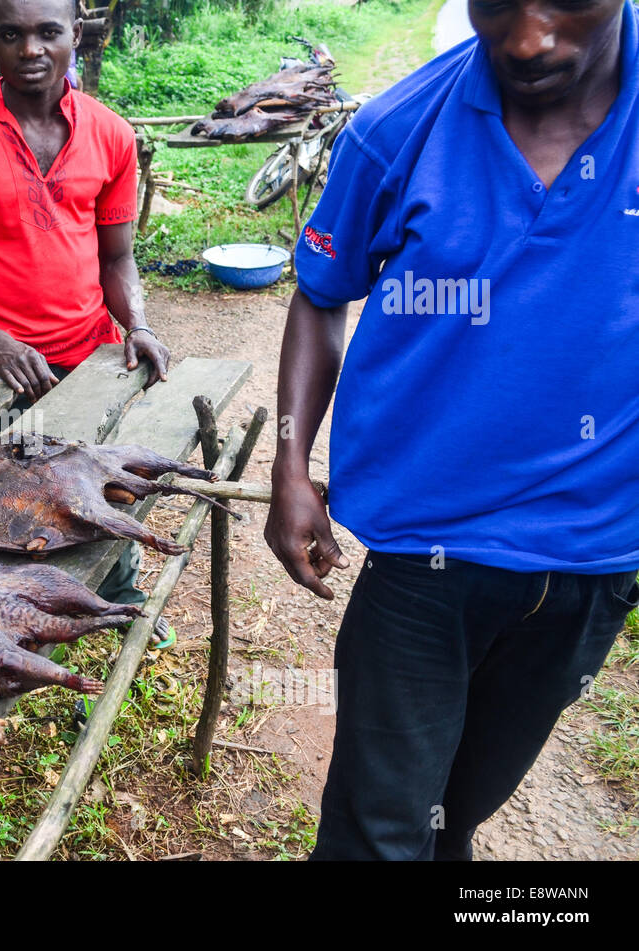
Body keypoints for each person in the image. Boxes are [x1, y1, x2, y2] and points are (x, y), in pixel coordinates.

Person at [265, 0, 639, 860]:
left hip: (593, 563)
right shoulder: (396, 131)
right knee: (378, 832)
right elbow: (324, 292)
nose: (527, 39)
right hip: (423, 562)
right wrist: (291, 469)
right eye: (497, 3)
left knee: (458, 812)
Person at [0, 0, 174, 627]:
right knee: (7, 491)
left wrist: (137, 324)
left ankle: (120, 598)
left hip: (90, 353)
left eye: (48, 32)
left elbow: (117, 258)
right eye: (12, 34)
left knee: (101, 485)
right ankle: (14, 610)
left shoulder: (110, 134)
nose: (31, 50)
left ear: (74, 36)